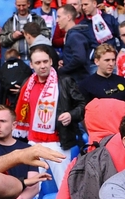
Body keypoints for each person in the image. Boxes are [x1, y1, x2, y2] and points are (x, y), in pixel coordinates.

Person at [13, 45, 86, 187]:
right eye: (38, 63)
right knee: (32, 188)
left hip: (58, 142)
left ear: (51, 61)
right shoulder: (27, 84)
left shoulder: (64, 81)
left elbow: (82, 105)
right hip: (33, 142)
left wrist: (71, 115)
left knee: (65, 187)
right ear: (31, 65)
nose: (42, 66)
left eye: (45, 61)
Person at [0, 0, 50, 64]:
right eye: (19, 5)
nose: (21, 8)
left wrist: (32, 35)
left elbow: (47, 35)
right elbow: (2, 41)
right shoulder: (10, 22)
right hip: (16, 60)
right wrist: (12, 36)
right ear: (15, 5)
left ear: (28, 4)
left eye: (23, 5)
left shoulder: (37, 19)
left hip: (35, 59)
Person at [56, 4, 95, 83]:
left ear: (68, 17)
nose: (57, 20)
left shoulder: (75, 36)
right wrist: (65, 60)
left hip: (78, 82)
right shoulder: (72, 34)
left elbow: (79, 59)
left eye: (59, 17)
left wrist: (63, 69)